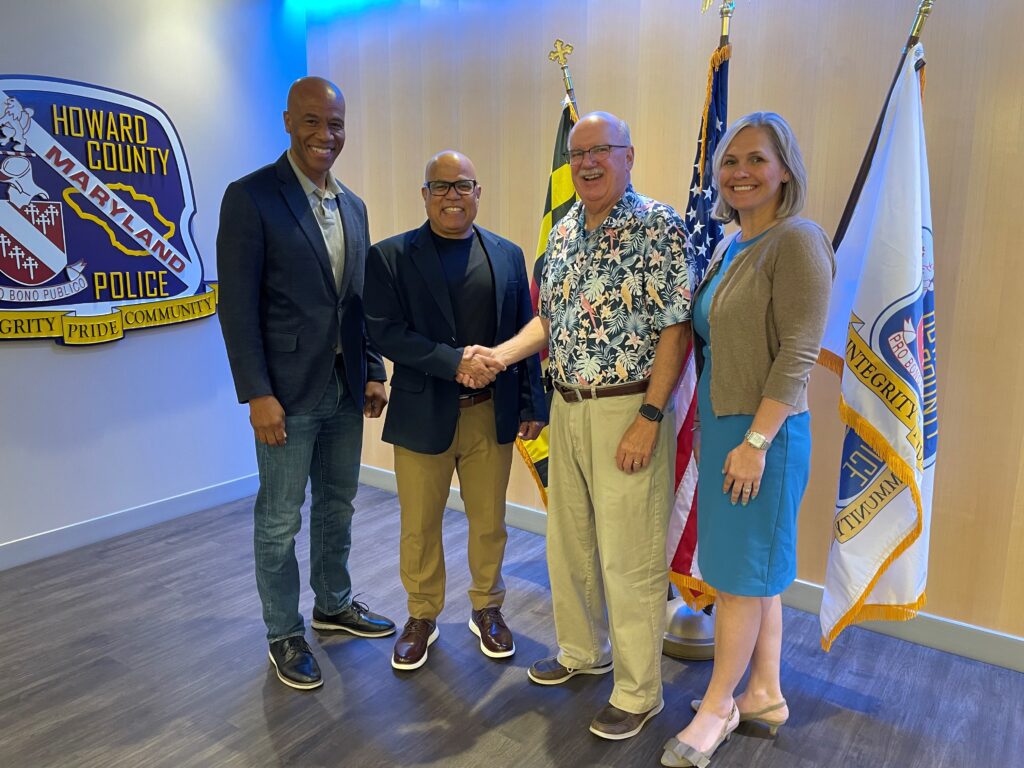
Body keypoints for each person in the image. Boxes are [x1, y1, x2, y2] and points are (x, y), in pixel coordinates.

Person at [462, 112, 691, 740]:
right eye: (577, 153)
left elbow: (676, 328)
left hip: (628, 407)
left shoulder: (659, 226)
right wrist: (500, 356)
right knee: (570, 543)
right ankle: (584, 651)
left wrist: (650, 416)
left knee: (629, 555)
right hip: (566, 405)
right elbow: (551, 321)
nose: (587, 162)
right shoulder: (563, 232)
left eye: (600, 150)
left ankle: (639, 692)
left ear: (628, 156)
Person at [660, 112, 835, 767]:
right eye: (730, 161)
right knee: (755, 575)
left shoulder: (798, 240)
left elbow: (798, 353)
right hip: (727, 428)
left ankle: (717, 708)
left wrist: (755, 444)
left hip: (765, 434)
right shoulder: (734, 244)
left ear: (785, 169)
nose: (740, 172)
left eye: (757, 159)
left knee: (736, 580)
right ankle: (764, 693)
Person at [217, 76, 396, 692]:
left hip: (346, 386)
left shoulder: (353, 206)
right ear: (288, 121)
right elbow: (236, 307)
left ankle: (333, 604)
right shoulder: (251, 197)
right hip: (286, 393)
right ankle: (283, 632)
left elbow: (359, 300)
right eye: (313, 121)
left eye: (336, 124)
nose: (326, 134)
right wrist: (257, 392)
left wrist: (373, 369)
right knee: (279, 520)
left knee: (338, 505)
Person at [364, 150, 547, 671]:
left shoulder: (507, 255)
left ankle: (488, 607)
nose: (452, 195)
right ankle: (421, 616)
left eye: (462, 185)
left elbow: (526, 328)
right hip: (422, 414)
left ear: (477, 193)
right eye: (441, 186)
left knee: (490, 521)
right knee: (420, 525)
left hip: (491, 412)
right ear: (425, 195)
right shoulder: (390, 256)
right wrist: (454, 362)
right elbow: (385, 331)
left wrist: (531, 401)